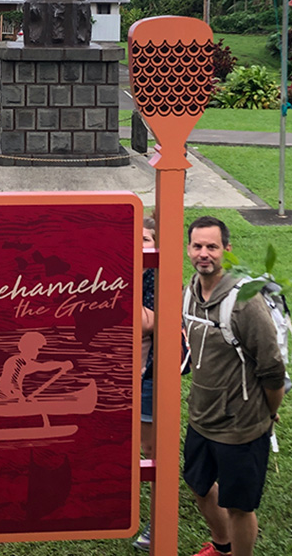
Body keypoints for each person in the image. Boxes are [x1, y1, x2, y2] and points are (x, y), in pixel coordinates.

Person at [182, 216, 285, 556]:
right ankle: (221, 546)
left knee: (240, 506)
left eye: (212, 246)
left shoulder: (245, 302)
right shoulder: (188, 293)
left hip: (242, 426)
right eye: (197, 246)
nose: (204, 254)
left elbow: (272, 369)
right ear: (188, 249)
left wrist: (269, 413)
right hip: (201, 418)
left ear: (226, 249)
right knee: (198, 486)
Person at [133, 217, 157, 551]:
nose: (140, 244)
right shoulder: (115, 269)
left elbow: (149, 321)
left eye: (146, 238)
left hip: (148, 375)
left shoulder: (155, 275)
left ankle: (157, 521)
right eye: (134, 237)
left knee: (151, 452)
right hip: (114, 374)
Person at [0, 331, 72, 401]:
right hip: (5, 396)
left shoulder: (26, 363)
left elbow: (44, 366)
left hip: (12, 396)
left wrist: (62, 364)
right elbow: (13, 381)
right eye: (37, 349)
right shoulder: (16, 361)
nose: (38, 352)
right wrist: (20, 396)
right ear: (30, 347)